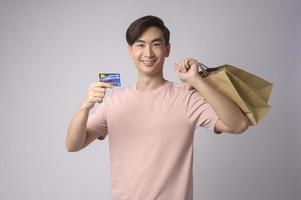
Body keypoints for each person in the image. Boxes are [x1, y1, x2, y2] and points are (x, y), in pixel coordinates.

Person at [65, 15, 249, 200]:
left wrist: (196, 80)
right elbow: (73, 145)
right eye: (140, 44)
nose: (148, 53)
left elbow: (238, 124)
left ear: (167, 49)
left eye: (156, 44)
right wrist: (85, 107)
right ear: (130, 51)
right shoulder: (115, 102)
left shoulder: (186, 97)